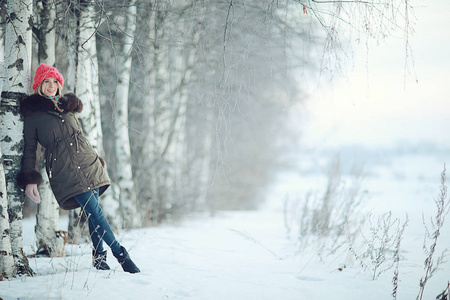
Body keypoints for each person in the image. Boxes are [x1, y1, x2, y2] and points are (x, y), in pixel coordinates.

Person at [16, 64, 140, 274]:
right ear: (39, 84)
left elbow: (79, 138)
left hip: (89, 163)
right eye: (46, 81)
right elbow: (29, 149)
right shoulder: (33, 115)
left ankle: (99, 258)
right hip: (65, 170)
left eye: (55, 81)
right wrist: (30, 180)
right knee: (95, 212)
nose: (51, 85)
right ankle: (121, 254)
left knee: (94, 213)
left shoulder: (66, 107)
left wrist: (96, 158)